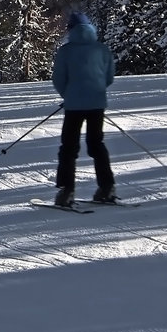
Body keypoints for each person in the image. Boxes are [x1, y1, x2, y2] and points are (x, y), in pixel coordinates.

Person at [51, 12, 117, 207]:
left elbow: (58, 79)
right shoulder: (102, 49)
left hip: (74, 106)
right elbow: (109, 77)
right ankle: (107, 188)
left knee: (69, 148)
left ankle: (66, 192)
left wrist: (69, 95)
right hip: (97, 104)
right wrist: (95, 92)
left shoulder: (66, 51)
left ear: (71, 29)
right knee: (97, 144)